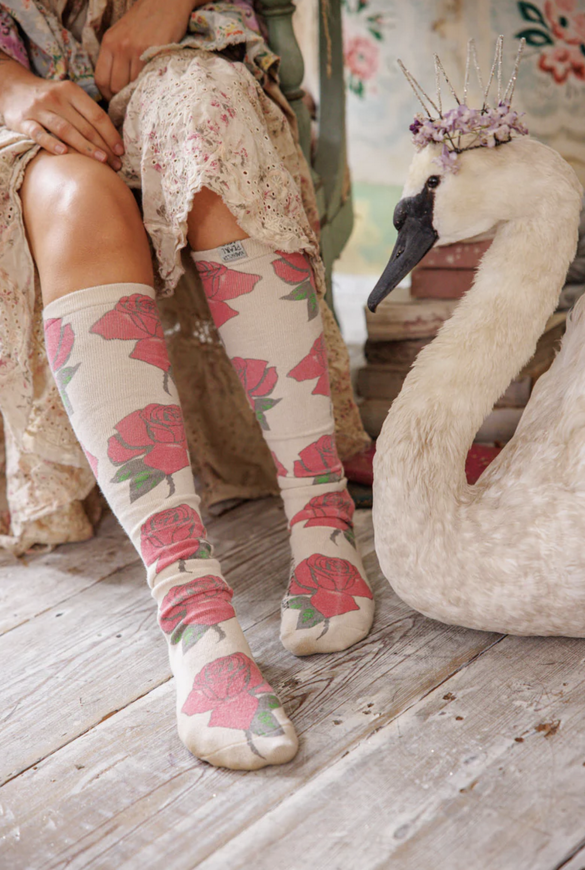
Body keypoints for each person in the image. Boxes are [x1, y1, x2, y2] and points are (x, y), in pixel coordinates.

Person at [0, 0, 374, 770]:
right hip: (18, 83)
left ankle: (320, 512)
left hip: (174, 37)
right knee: (77, 202)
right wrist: (9, 88)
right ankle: (194, 613)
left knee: (206, 122)